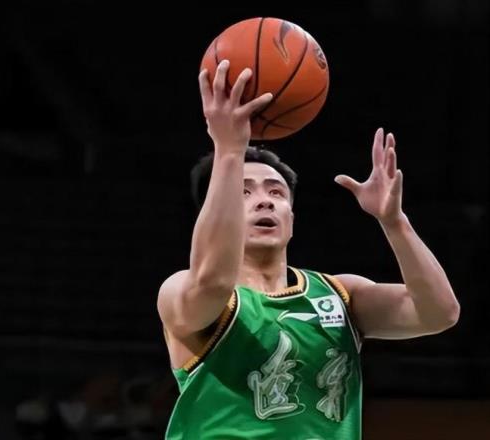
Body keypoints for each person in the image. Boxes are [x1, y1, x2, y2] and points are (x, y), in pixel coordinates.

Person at [156, 59, 460, 440]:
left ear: (292, 217)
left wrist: (395, 222)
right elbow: (212, 281)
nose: (264, 201)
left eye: (276, 192)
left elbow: (439, 313)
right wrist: (229, 151)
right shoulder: (180, 292)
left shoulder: (340, 295)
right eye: (244, 192)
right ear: (217, 210)